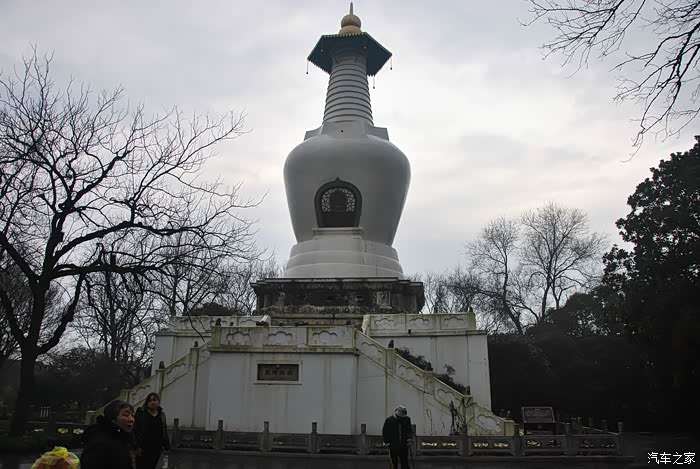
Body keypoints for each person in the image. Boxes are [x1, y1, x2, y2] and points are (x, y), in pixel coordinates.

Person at [81, 399, 136, 469]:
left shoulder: (121, 437)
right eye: (125, 415)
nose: (131, 419)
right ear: (113, 419)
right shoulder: (99, 443)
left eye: (132, 415)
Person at [133, 392, 171, 469]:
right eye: (150, 400)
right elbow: (134, 430)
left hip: (156, 448)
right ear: (147, 402)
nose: (153, 402)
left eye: (155, 400)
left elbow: (164, 430)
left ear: (158, 402)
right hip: (143, 448)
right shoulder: (141, 413)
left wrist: (167, 446)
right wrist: (136, 446)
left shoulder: (161, 415)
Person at [382, 405, 413, 469]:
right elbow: (385, 432)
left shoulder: (407, 419)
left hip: (404, 445)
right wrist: (386, 441)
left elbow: (409, 430)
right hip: (393, 445)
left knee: (405, 463)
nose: (402, 418)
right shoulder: (389, 420)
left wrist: (409, 439)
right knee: (393, 463)